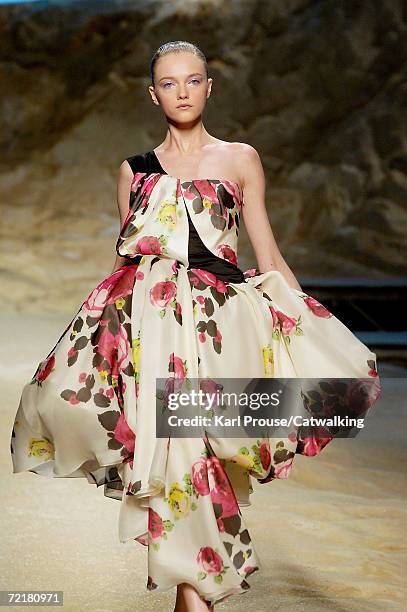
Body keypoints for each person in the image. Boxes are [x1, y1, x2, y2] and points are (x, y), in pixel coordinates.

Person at [10, 41, 381, 611]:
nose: (181, 92)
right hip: (150, 330)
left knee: (206, 449)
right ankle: (195, 592)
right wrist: (100, 346)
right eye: (168, 82)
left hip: (220, 328)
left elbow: (269, 254)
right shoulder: (134, 171)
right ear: (152, 92)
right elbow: (122, 266)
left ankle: (195, 587)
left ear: (210, 86)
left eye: (192, 80)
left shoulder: (240, 159)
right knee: (170, 452)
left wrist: (309, 325)